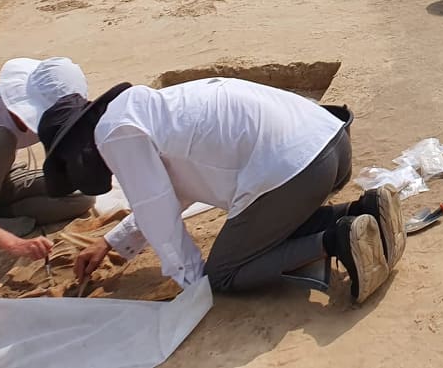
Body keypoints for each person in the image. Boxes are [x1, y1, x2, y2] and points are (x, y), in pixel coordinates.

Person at [40, 78, 403, 304]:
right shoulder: (141, 110)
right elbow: (171, 192)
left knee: (225, 272)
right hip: (331, 143)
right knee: (263, 231)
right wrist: (111, 243)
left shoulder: (115, 134)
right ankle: (361, 210)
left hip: (296, 171)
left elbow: (159, 213)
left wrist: (194, 284)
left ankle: (337, 240)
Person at [0, 58, 94, 264]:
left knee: (83, 196)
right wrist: (12, 243)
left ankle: (0, 213)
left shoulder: (50, 114)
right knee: (1, 139)